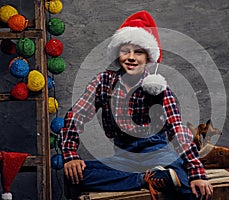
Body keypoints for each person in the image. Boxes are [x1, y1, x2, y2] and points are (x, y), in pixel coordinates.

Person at [60, 10, 213, 200]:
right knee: (75, 175)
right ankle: (144, 179)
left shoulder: (158, 87)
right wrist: (70, 154)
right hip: (124, 158)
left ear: (148, 57)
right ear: (118, 54)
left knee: (189, 187)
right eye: (125, 51)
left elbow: (177, 129)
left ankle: (163, 174)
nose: (131, 57)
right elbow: (76, 116)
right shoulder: (103, 82)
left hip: (158, 155)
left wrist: (197, 173)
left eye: (138, 52)